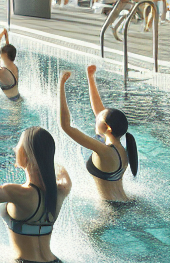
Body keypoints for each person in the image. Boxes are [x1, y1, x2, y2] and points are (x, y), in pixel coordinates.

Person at [0, 122, 71, 263]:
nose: (15, 149)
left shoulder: (18, 193)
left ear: (25, 155)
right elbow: (60, 172)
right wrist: (44, 158)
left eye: (18, 146)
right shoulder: (61, 190)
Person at [58, 66, 137, 203]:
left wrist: (61, 85)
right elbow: (100, 113)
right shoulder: (120, 145)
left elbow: (66, 126)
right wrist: (90, 78)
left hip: (110, 210)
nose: (96, 118)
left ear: (107, 128)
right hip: (123, 202)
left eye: (99, 120)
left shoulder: (104, 151)